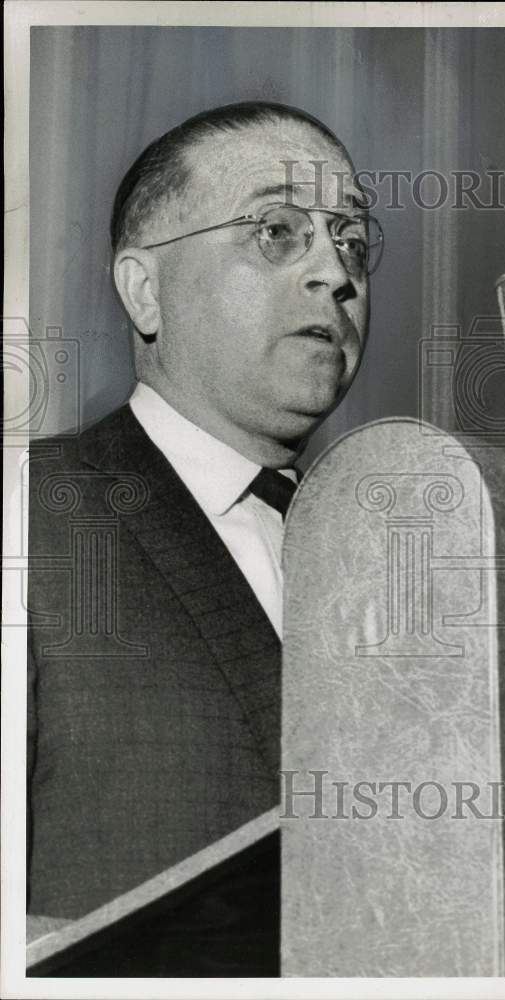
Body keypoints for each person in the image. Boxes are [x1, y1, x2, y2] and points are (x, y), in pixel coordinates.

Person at [26, 102, 381, 928]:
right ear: (144, 291)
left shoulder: (398, 560)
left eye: (353, 240)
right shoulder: (30, 517)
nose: (338, 272)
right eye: (277, 230)